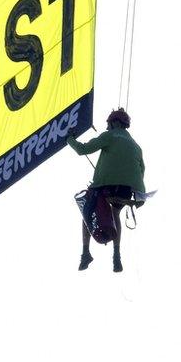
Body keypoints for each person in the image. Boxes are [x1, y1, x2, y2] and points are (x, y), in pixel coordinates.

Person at [67, 108, 145, 272]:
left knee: (87, 212)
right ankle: (117, 255)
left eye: (108, 124)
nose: (107, 127)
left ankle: (85, 253)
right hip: (126, 192)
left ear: (114, 123)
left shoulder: (109, 136)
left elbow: (83, 150)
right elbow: (141, 171)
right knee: (115, 212)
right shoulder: (137, 147)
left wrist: (70, 139)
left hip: (105, 187)